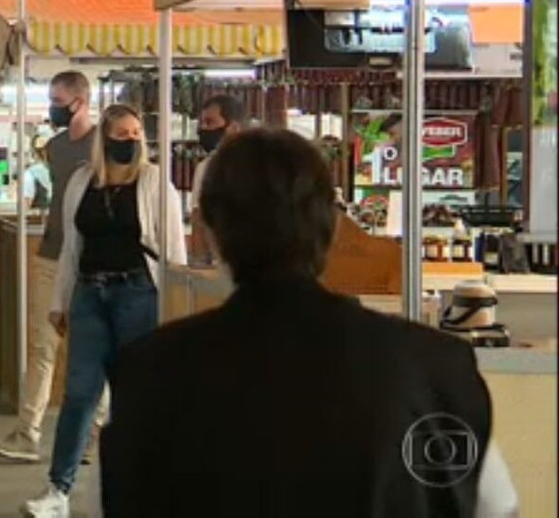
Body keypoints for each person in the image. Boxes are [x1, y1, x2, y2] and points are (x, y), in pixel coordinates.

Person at [101, 128, 518, 518]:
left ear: (211, 228)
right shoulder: (434, 371)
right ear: (332, 225)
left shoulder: (150, 374)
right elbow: (496, 509)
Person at [21, 103, 187, 517]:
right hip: (89, 295)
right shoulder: (82, 182)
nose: (129, 141)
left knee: (136, 395)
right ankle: (58, 490)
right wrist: (60, 303)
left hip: (139, 293)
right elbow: (71, 250)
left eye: (135, 135)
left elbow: (171, 248)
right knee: (79, 393)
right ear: (104, 138)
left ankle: (143, 488)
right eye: (121, 134)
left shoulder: (153, 182)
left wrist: (173, 306)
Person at [0, 70, 109, 464]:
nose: (53, 108)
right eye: (51, 99)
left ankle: (94, 433)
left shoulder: (102, 145)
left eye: (58, 100)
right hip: (51, 252)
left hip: (91, 259)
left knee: (90, 348)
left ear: (80, 101)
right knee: (42, 345)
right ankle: (29, 432)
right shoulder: (55, 147)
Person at [189, 94, 244, 264]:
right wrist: (199, 264)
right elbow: (198, 219)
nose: (203, 129)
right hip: (219, 266)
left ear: (233, 127)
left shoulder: (260, 165)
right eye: (202, 123)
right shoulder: (205, 168)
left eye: (210, 122)